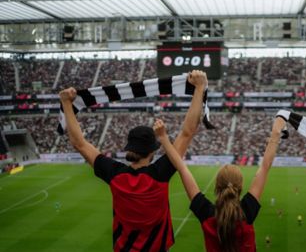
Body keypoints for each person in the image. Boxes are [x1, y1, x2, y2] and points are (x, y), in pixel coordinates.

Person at [59, 70, 208, 252]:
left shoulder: (115, 174)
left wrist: (66, 103)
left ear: (129, 148)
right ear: (152, 152)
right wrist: (199, 87)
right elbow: (187, 132)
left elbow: (79, 144)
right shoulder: (160, 173)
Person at [153, 117, 286, 252]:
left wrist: (163, 138)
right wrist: (276, 132)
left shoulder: (206, 212)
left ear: (217, 186)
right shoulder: (247, 211)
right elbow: (265, 166)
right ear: (240, 187)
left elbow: (181, 167)